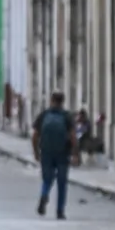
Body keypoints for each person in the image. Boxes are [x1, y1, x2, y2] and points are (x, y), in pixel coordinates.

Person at [31, 91, 77, 219]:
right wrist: (75, 154)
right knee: (62, 183)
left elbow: (34, 136)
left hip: (46, 152)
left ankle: (44, 194)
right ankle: (60, 211)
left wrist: (36, 152)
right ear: (63, 101)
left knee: (47, 179)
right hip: (63, 153)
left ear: (51, 100)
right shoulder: (67, 116)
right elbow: (73, 136)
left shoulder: (44, 115)